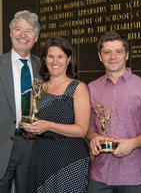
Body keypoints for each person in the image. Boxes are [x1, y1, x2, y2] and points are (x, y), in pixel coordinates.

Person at [87, 31, 141, 193]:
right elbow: (89, 128)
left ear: (126, 55)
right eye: (107, 52)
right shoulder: (92, 88)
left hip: (133, 174)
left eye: (118, 51)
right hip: (100, 174)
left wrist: (132, 143)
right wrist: (93, 138)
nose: (113, 56)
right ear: (100, 56)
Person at [23, 36, 91, 193]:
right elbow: (31, 127)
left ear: (68, 59)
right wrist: (30, 129)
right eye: (51, 56)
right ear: (45, 59)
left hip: (69, 159)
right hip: (41, 158)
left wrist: (49, 126)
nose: (55, 61)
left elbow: (82, 130)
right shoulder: (37, 89)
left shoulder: (78, 87)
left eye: (60, 56)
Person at [0, 10, 40, 193]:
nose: (23, 35)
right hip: (2, 145)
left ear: (36, 37)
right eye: (18, 29)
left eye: (29, 31)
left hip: (33, 145)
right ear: (10, 33)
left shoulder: (45, 68)